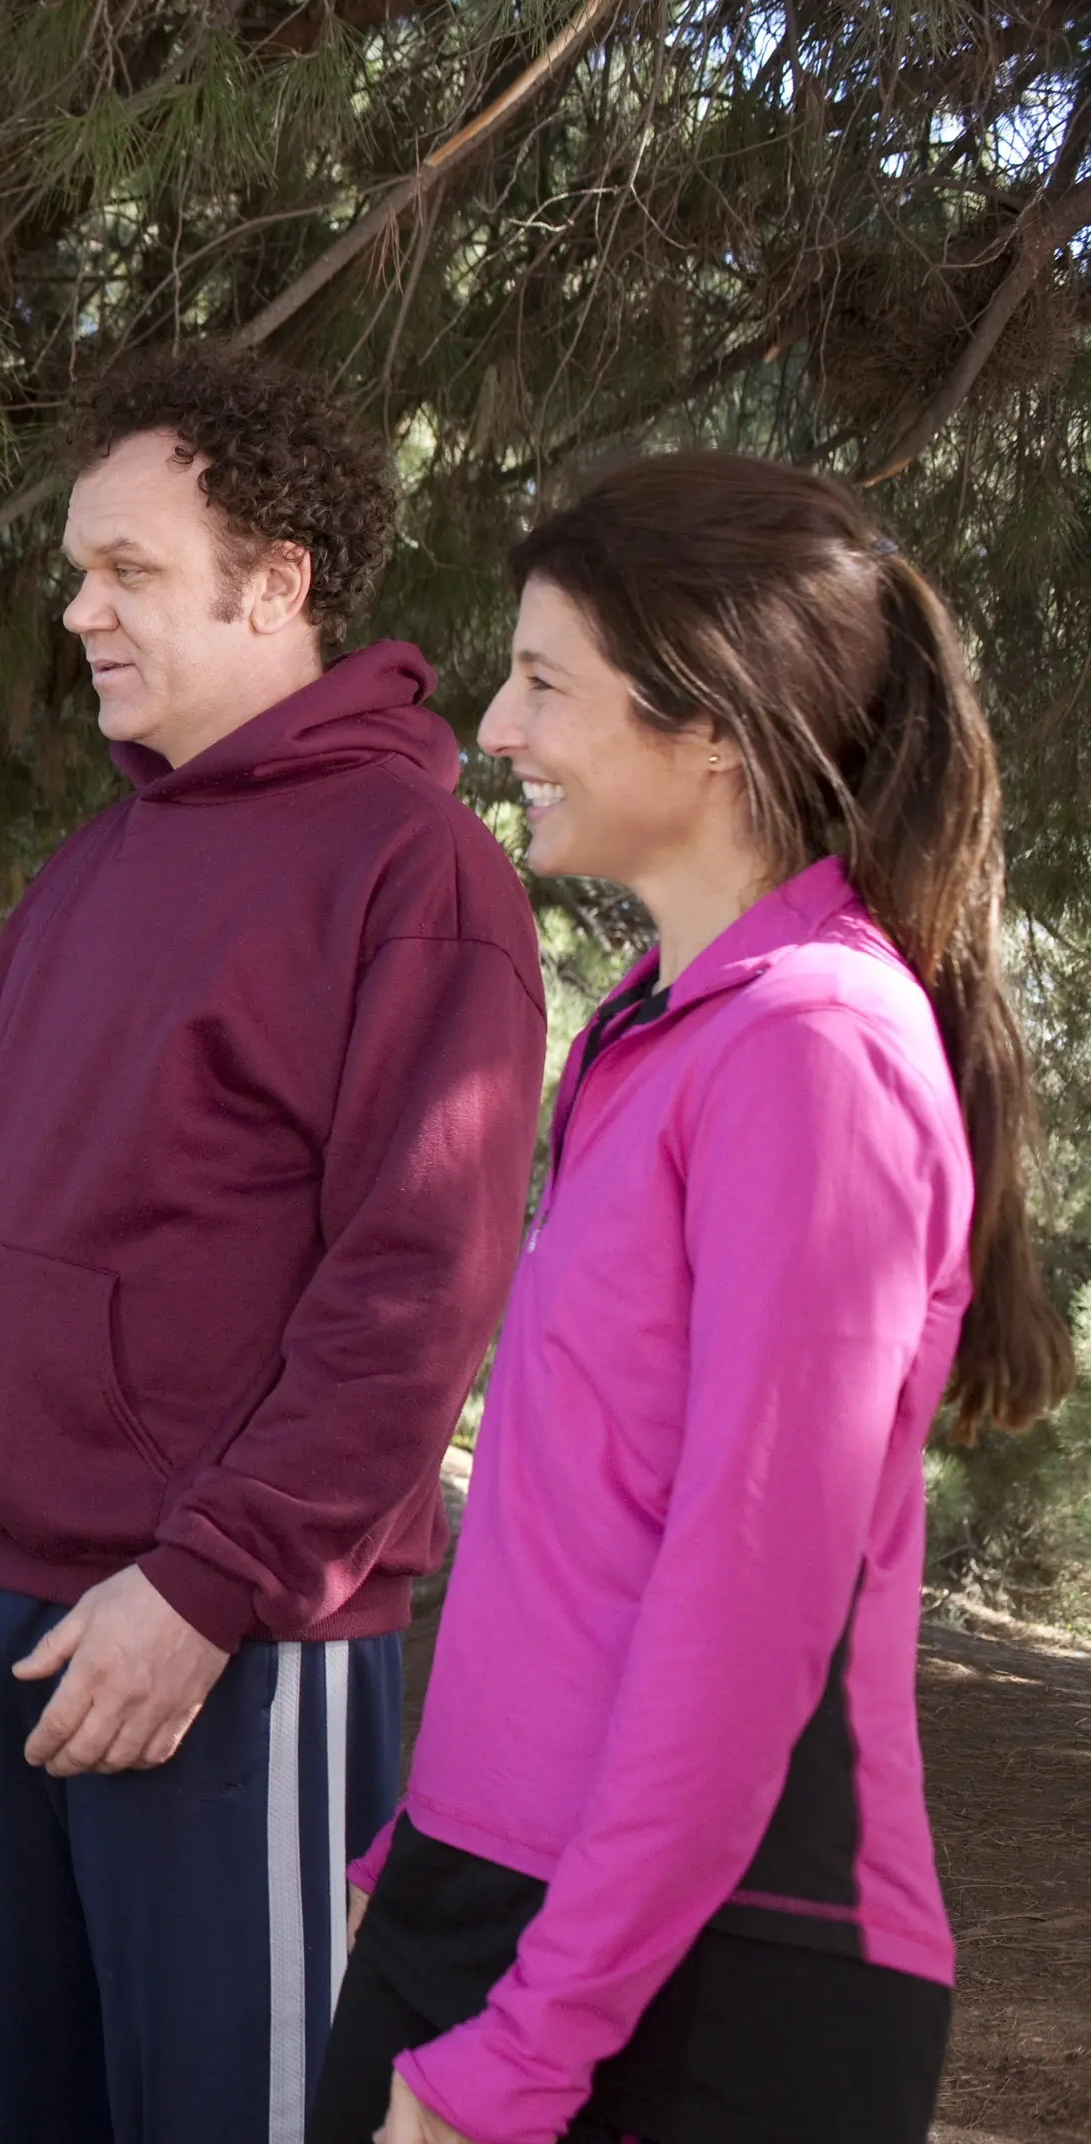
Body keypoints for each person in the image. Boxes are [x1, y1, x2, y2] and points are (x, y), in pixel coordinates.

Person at [0, 347, 548, 2144]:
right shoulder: (87, 873)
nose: (79, 609)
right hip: (29, 1611)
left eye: (129, 570)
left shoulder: (414, 872)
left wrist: (204, 1586)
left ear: (276, 581)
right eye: (77, 569)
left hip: (240, 1639)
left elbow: (414, 1302)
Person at [313, 456, 1072, 2144]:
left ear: (709, 725)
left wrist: (526, 2038)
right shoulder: (662, 1023)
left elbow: (746, 1609)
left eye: (544, 679)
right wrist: (417, 1850)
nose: (493, 725)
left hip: (706, 1966)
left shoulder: (814, 1050)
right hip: (503, 1895)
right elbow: (570, 1517)